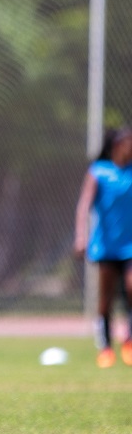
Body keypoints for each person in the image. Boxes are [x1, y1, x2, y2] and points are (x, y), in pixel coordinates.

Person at [73, 126, 132, 368]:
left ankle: (128, 341)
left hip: (130, 246)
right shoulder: (99, 172)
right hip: (106, 246)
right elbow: (84, 205)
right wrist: (81, 236)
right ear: (116, 145)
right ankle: (106, 346)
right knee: (105, 299)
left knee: (131, 289)